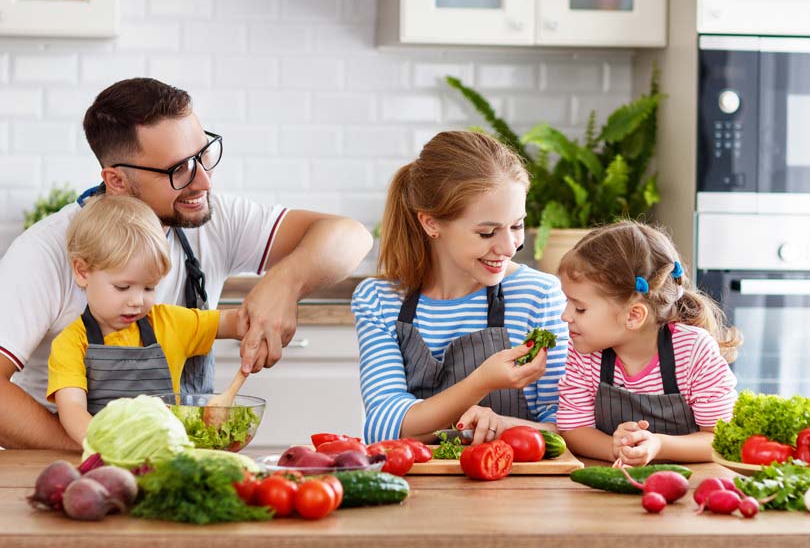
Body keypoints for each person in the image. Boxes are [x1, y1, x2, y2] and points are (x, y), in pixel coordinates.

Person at [0, 78, 373, 449]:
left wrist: (285, 284)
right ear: (117, 180)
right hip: (63, 471)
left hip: (173, 460)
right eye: (178, 169)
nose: (204, 182)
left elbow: (349, 235)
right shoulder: (45, 251)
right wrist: (111, 446)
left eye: (204, 154)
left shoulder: (211, 218)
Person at [352, 130, 569, 446]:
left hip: (515, 487)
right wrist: (481, 382)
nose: (509, 247)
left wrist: (504, 425)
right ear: (431, 224)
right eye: (487, 233)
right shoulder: (380, 301)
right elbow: (386, 425)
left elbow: (568, 424)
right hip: (414, 488)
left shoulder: (538, 296)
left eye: (517, 225)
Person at [48, 196, 246, 445]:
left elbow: (233, 322)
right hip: (108, 461)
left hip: (167, 457)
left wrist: (261, 322)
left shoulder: (169, 322)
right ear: (82, 271)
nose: (137, 301)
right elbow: (72, 410)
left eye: (150, 287)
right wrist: (109, 449)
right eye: (122, 287)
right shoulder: (71, 343)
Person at [555, 221, 741, 466]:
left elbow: (720, 439)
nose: (565, 316)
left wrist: (659, 445)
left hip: (693, 485)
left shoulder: (694, 351)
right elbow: (572, 428)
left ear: (633, 316)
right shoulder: (584, 353)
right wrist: (614, 448)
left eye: (579, 308)